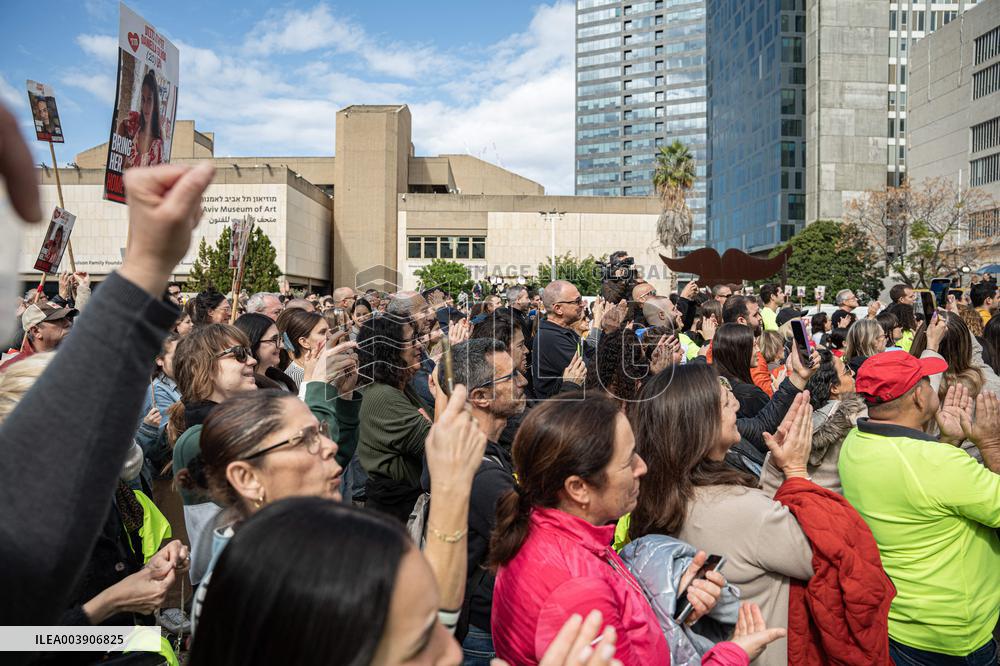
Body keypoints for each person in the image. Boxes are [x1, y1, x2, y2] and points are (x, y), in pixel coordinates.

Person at [0, 113, 215, 636]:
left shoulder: (121, 501)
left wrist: (147, 266)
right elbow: (23, 634)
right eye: (74, 432)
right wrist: (108, 610)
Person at [490, 392, 779, 666]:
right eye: (628, 460)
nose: (641, 467)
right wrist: (734, 653)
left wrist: (674, 601)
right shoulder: (577, 592)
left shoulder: (553, 532)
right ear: (578, 488)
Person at [630, 365, 814, 666]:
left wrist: (775, 468)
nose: (739, 405)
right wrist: (797, 473)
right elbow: (818, 554)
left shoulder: (659, 491)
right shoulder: (739, 509)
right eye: (728, 404)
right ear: (699, 425)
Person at [839, 353, 1000, 664]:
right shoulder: (934, 464)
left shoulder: (855, 442)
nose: (933, 387)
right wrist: (991, 445)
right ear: (917, 396)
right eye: (927, 382)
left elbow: (919, 487)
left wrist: (948, 440)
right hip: (956, 633)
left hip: (902, 622)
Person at [429, 339, 526, 663]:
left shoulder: (487, 451)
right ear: (480, 397)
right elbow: (531, 539)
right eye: (511, 376)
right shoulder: (480, 475)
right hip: (482, 632)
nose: (523, 381)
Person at [354, 312, 430, 521]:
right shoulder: (383, 396)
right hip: (396, 514)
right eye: (412, 340)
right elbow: (440, 445)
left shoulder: (401, 388)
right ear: (388, 349)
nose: (420, 346)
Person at [532, 280, 588, 399]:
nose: (582, 304)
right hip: (560, 412)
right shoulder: (550, 338)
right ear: (558, 309)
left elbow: (592, 352)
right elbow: (593, 371)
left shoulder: (563, 331)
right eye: (577, 301)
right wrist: (599, 323)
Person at [712, 323, 771, 418]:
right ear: (739, 351)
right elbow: (774, 423)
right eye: (754, 345)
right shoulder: (751, 395)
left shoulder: (710, 385)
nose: (758, 350)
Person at [234, 312, 297, 391]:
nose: (281, 345)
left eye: (280, 339)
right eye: (274, 339)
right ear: (252, 342)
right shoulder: (248, 388)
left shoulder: (280, 380)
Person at [2, 301, 77, 367]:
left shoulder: (76, 354)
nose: (68, 323)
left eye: (67, 318)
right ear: (36, 331)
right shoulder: (13, 370)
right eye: (58, 319)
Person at [275, 307, 329, 389]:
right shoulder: (295, 376)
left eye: (329, 331)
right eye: (322, 332)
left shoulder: (324, 365)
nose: (330, 336)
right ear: (304, 342)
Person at [123, 70, 164, 169]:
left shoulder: (157, 142)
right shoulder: (135, 124)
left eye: (149, 100)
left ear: (155, 104)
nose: (145, 106)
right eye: (143, 99)